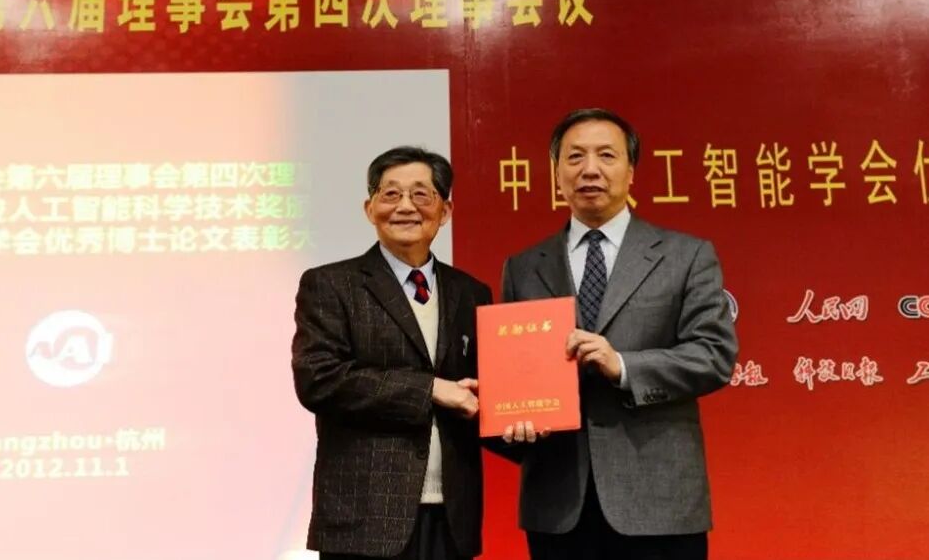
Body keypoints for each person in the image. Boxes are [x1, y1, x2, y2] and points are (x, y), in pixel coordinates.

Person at [498, 108, 738, 560]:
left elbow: (713, 355)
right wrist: (513, 419)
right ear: (556, 174)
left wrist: (623, 365)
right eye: (575, 157)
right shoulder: (523, 267)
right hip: (558, 503)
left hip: (659, 500)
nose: (590, 169)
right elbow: (514, 374)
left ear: (631, 171)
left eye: (606, 155)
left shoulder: (686, 255)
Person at [291, 146, 492, 560]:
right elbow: (320, 379)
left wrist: (525, 417)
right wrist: (429, 389)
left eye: (420, 194)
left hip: (452, 517)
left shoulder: (471, 292)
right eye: (391, 194)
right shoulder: (331, 285)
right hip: (364, 519)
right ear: (370, 209)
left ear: (445, 210)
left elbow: (482, 390)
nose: (405, 207)